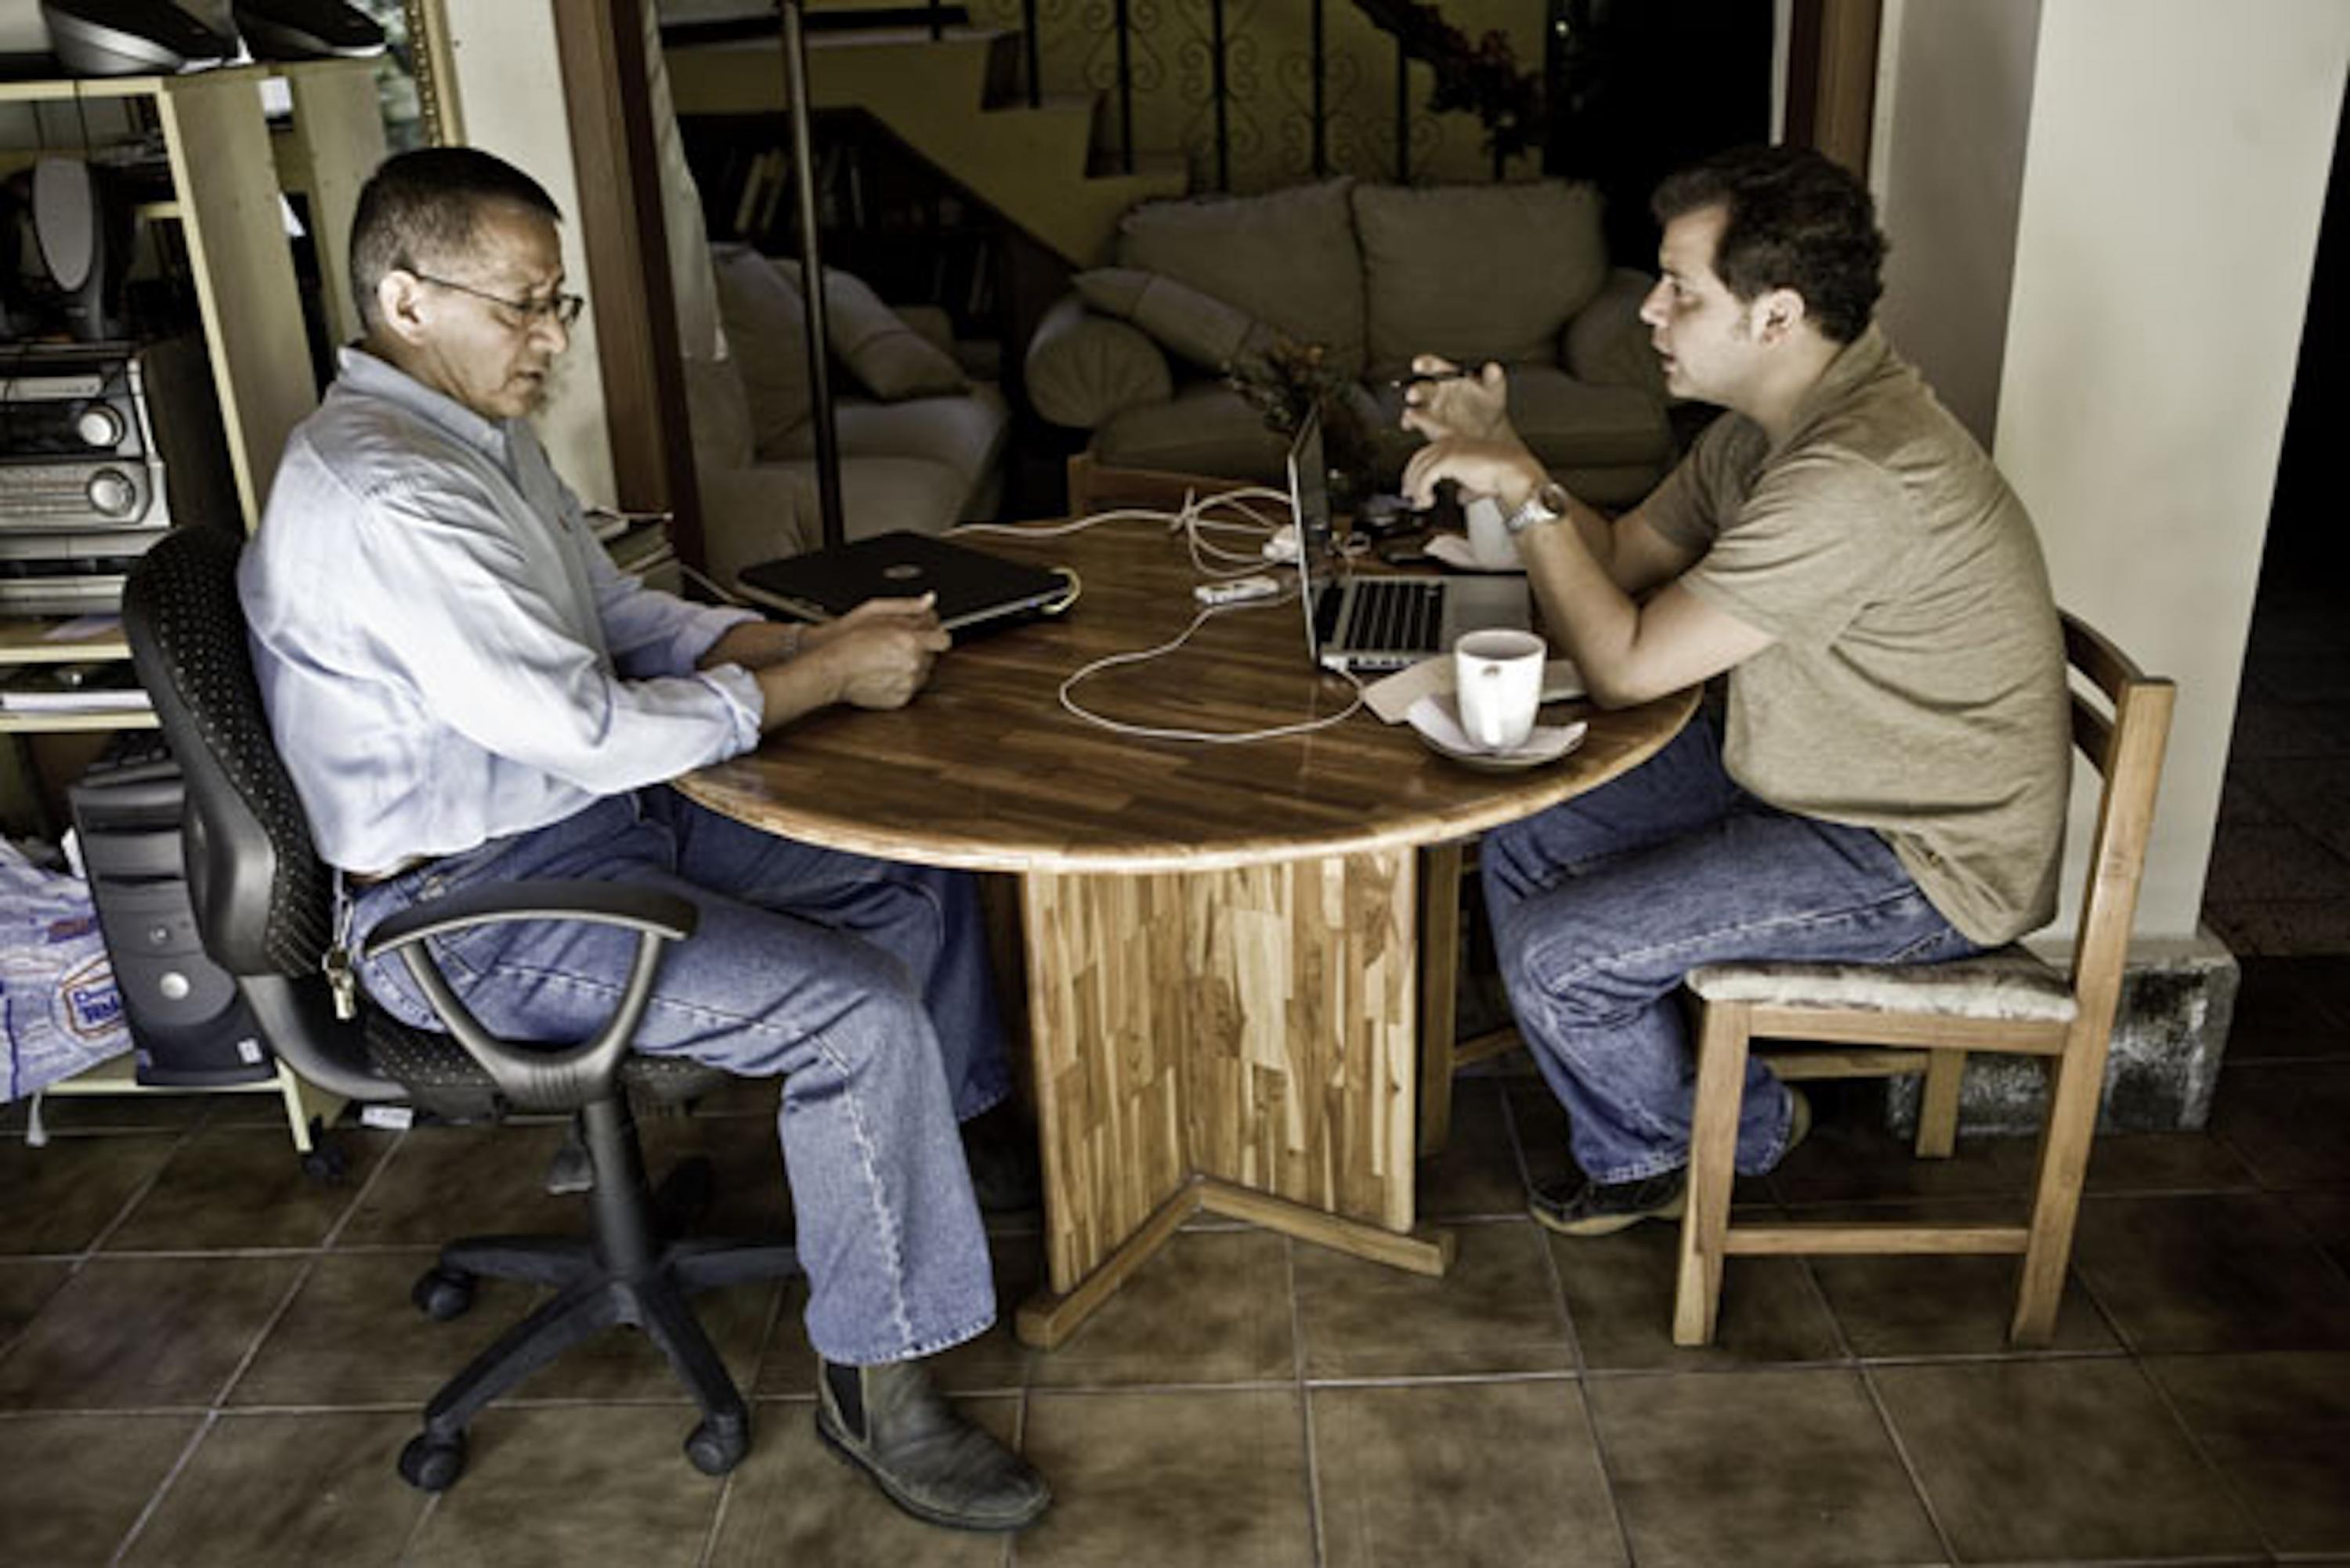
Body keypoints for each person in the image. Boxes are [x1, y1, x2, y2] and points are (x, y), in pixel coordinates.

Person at [239, 146, 1047, 1531]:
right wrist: (814, 685)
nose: (552, 339)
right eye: (525, 306)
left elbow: (619, 618)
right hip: (475, 909)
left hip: (586, 826)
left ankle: (945, 1148)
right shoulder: (387, 492)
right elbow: (592, 726)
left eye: (560, 305)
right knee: (853, 1014)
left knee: (917, 857)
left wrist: (805, 639)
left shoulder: (472, 441)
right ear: (405, 298)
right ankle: (882, 1386)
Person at [1399, 144, 2070, 1237]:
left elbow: (1622, 661)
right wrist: (1513, 454)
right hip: (1814, 774)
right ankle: (1672, 1130)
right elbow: (1616, 560)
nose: (1649, 312)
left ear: (1775, 317)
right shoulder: (1770, 432)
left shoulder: (1851, 477)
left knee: (1559, 954)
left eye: (1681, 290)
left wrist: (1522, 495)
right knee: (1525, 821)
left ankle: (1717, 1136)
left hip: (1923, 851)